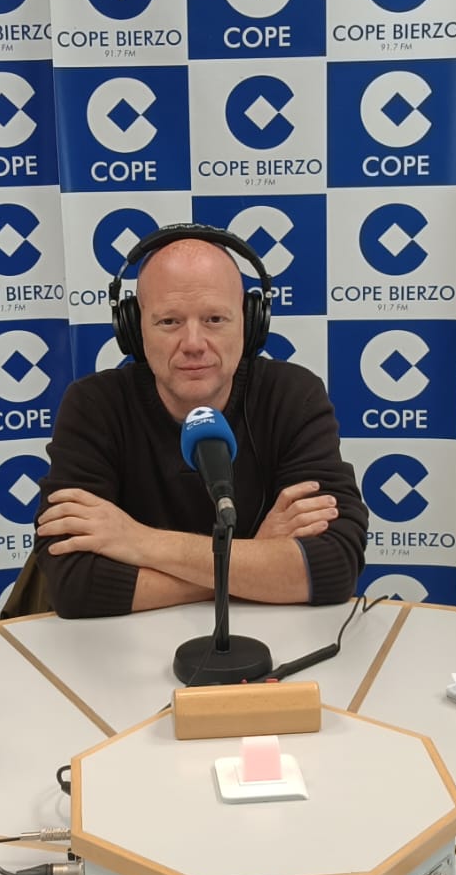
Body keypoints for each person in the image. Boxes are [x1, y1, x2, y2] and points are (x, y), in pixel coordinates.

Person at [35, 225, 367, 619]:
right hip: (123, 655)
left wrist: (140, 542)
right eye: (169, 322)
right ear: (134, 328)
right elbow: (75, 585)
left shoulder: (292, 396)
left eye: (214, 319)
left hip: (271, 648)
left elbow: (333, 568)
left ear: (249, 321)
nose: (193, 343)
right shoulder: (94, 406)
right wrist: (255, 558)